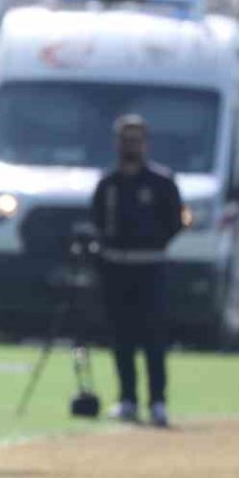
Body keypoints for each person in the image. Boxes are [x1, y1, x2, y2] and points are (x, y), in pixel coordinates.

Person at [90, 114, 183, 428]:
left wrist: (153, 241)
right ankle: (127, 398)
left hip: (150, 267)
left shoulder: (161, 182)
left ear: (145, 143)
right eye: (125, 140)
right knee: (121, 336)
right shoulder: (109, 183)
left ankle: (157, 401)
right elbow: (97, 220)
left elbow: (175, 222)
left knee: (153, 337)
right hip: (117, 268)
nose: (130, 146)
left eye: (136, 140)